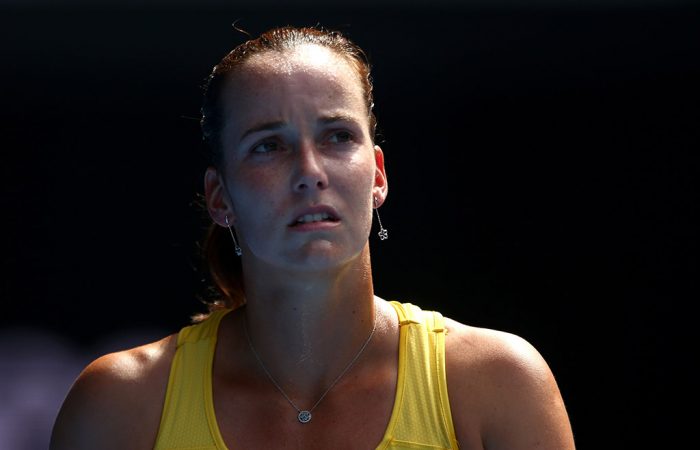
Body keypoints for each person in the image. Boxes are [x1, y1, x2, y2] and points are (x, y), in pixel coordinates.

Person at [50, 25, 576, 449]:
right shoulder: (121, 404)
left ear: (377, 175)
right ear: (220, 198)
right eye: (268, 146)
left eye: (337, 136)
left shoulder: (499, 384)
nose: (309, 171)